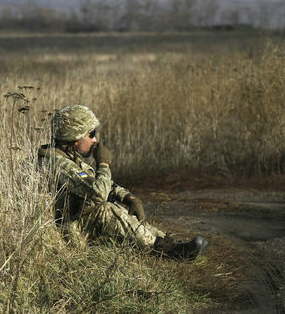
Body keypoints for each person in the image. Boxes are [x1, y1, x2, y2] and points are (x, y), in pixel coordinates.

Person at [37, 104, 208, 261]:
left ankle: (167, 243)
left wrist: (128, 197)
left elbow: (96, 182)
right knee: (105, 209)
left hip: (75, 223)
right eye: (91, 134)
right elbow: (98, 194)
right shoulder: (56, 163)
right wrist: (103, 164)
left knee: (114, 205)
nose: (95, 140)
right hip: (65, 233)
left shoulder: (69, 158)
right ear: (76, 138)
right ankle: (164, 251)